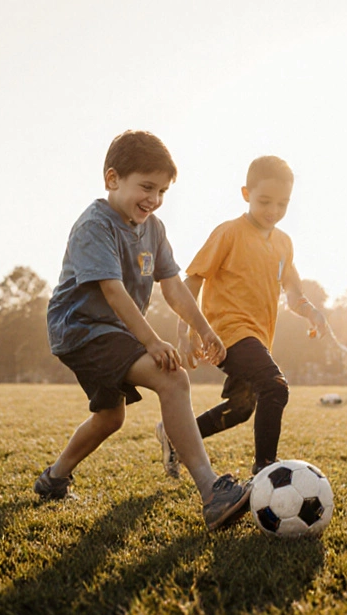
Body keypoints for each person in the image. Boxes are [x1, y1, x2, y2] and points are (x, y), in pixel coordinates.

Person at [37, 130, 250, 531]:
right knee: (173, 378)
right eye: (147, 187)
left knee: (109, 418)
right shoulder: (94, 226)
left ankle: (54, 478)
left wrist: (204, 329)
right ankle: (211, 491)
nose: (154, 199)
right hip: (81, 329)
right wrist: (151, 341)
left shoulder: (154, 229)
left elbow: (173, 286)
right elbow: (113, 292)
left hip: (112, 331)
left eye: (163, 191)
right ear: (112, 179)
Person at [168, 156, 328, 478]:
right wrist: (185, 331)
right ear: (246, 194)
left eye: (283, 204)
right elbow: (193, 281)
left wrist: (310, 311)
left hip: (258, 337)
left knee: (241, 409)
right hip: (227, 332)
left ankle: (175, 438)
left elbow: (293, 291)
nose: (273, 210)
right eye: (265, 201)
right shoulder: (229, 233)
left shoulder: (284, 244)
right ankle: (265, 470)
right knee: (275, 387)